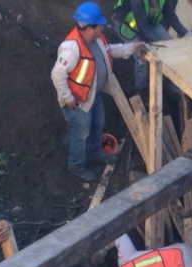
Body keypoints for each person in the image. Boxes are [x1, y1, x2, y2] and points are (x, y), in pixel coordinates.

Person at [52, 2, 146, 182]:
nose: (103, 27)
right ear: (89, 28)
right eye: (99, 25)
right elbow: (57, 74)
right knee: (81, 135)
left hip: (93, 95)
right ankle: (76, 165)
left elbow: (111, 50)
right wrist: (68, 98)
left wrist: (132, 47)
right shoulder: (71, 48)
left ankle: (95, 153)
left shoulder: (97, 39)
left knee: (97, 125)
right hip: (78, 102)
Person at [112, 0, 189, 90]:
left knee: (170, 46)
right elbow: (143, 28)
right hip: (127, 26)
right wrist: (150, 47)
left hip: (148, 21)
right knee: (143, 58)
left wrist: (186, 34)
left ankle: (170, 81)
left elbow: (170, 15)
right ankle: (142, 89)